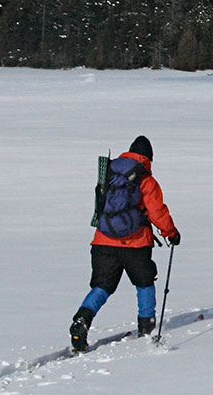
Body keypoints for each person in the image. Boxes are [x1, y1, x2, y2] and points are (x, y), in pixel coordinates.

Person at [69, 135, 180, 351]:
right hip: (136, 243)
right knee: (144, 282)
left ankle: (82, 319)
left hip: (103, 240)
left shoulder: (108, 172)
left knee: (102, 286)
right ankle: (146, 326)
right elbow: (157, 211)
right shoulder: (145, 178)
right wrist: (171, 233)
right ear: (148, 158)